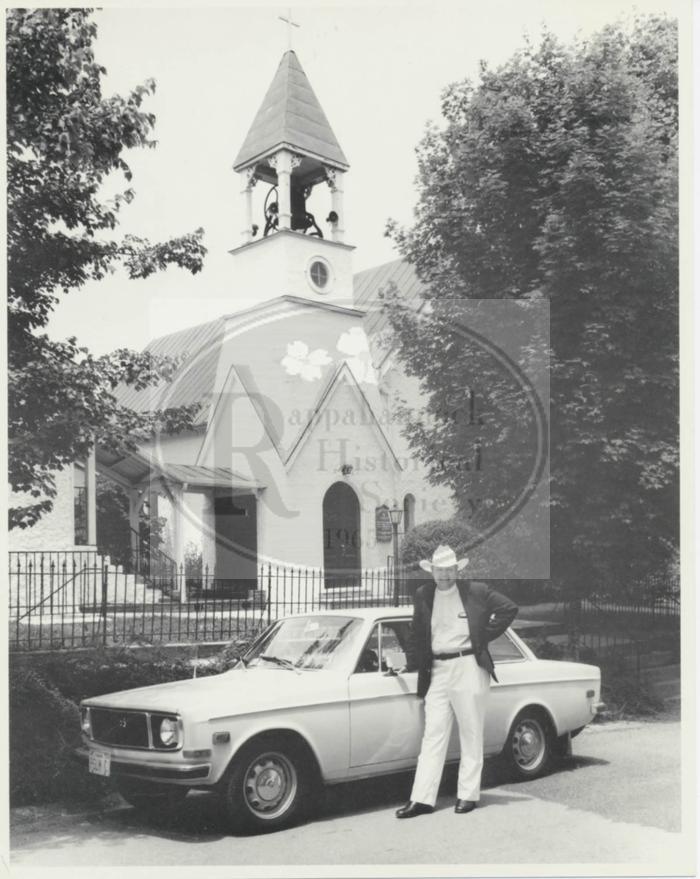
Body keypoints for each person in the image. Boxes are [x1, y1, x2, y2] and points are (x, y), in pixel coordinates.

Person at [395, 544, 518, 818]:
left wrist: (482, 637)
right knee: (432, 735)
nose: (445, 576)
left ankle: (468, 794)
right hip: (437, 669)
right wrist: (411, 661)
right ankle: (422, 799)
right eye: (440, 571)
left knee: (471, 732)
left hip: (468, 666)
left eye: (450, 571)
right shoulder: (423, 595)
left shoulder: (476, 591)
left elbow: (509, 608)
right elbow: (416, 631)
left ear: (457, 571)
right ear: (432, 572)